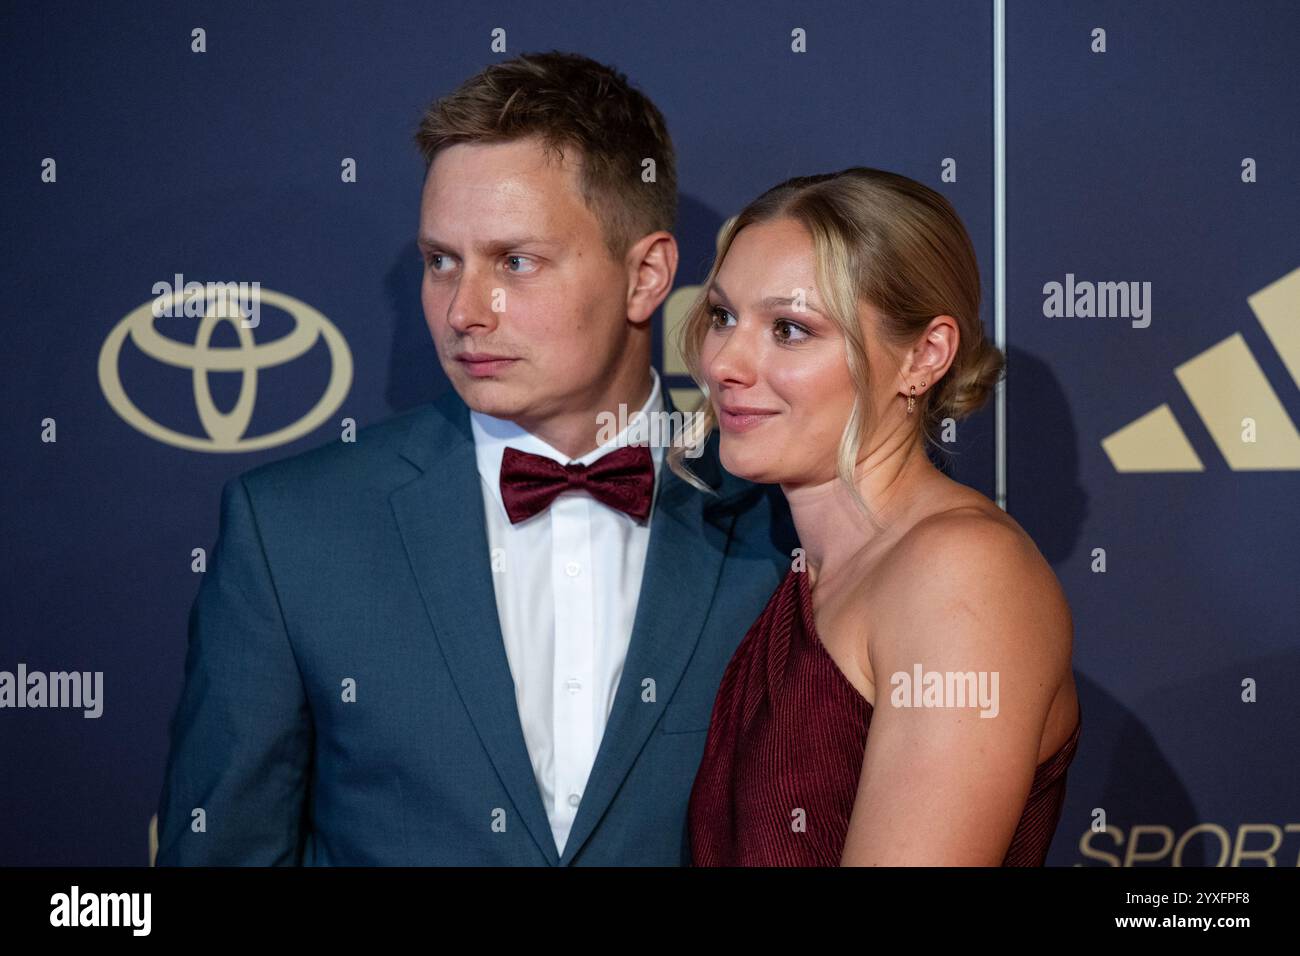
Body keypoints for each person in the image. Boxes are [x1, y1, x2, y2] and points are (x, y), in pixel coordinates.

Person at [155, 51, 795, 866]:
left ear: (646, 277)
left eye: (515, 262)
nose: (464, 311)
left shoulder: (784, 511)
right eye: (440, 261)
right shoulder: (290, 530)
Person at [678, 168, 1082, 866]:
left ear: (924, 356)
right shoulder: (802, 568)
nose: (725, 363)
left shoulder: (961, 573)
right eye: (722, 316)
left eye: (789, 328)